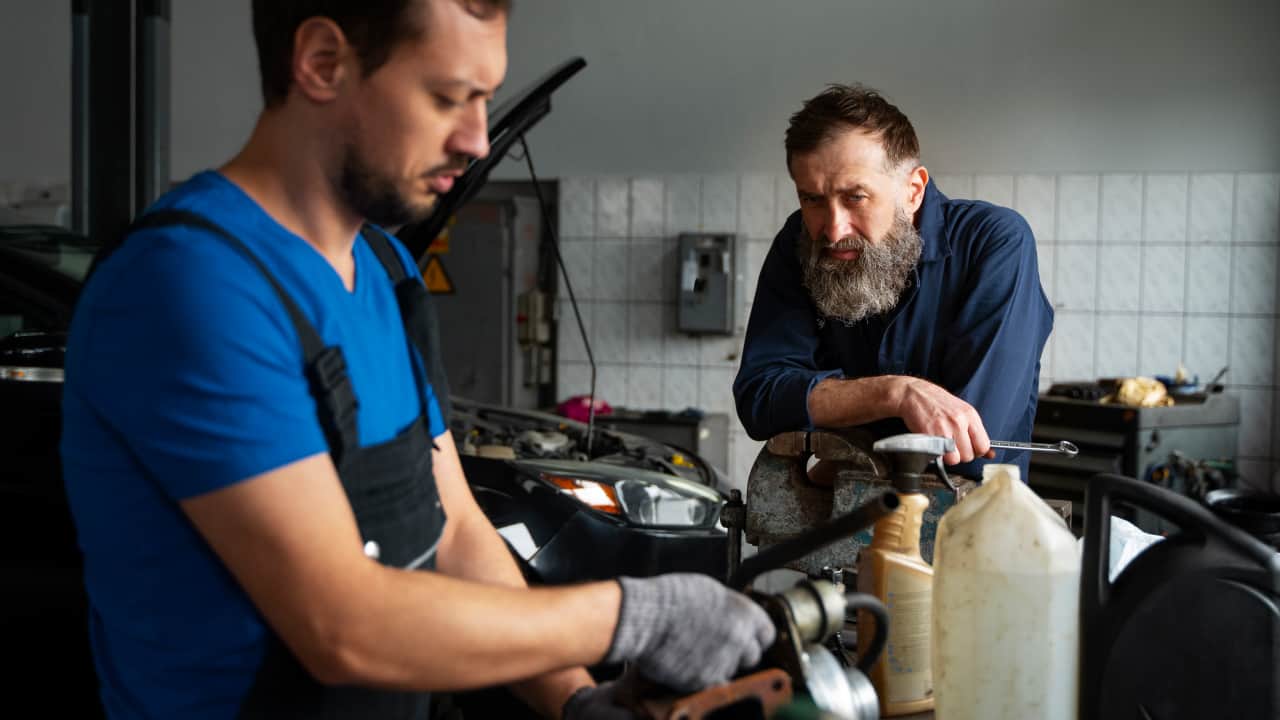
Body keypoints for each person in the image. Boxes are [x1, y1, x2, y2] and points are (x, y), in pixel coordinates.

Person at [60, 2, 773, 718]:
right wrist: (636, 616)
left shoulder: (385, 268)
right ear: (321, 63)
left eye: (486, 99)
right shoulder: (190, 283)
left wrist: (574, 699)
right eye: (446, 97)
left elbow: (457, 531)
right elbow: (341, 625)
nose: (476, 139)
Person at [733, 85, 1053, 478]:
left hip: (969, 528)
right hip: (836, 521)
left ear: (913, 191)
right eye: (813, 199)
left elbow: (971, 447)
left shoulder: (994, 243)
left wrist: (836, 433)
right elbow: (760, 397)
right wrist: (895, 394)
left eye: (855, 198)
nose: (833, 230)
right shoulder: (800, 241)